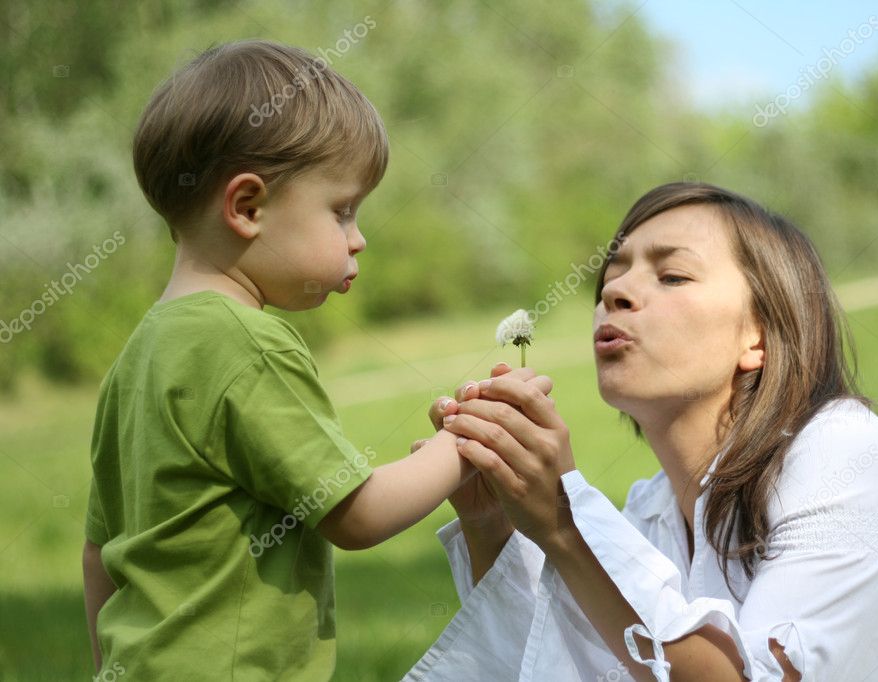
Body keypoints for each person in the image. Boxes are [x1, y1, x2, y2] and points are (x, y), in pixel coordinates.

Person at [406, 182, 878, 681]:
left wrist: (566, 524)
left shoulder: (850, 459)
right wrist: (493, 520)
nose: (616, 291)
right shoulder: (652, 510)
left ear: (757, 336)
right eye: (610, 279)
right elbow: (571, 671)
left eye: (671, 277)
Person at [81, 39, 550, 680]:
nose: (358, 239)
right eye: (342, 210)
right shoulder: (247, 342)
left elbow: (97, 550)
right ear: (248, 207)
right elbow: (356, 514)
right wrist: (468, 439)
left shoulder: (139, 355)